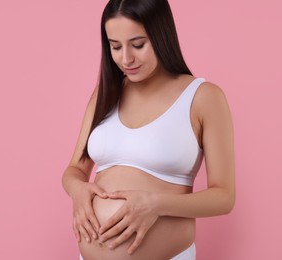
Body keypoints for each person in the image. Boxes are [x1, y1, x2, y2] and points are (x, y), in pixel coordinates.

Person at [61, 0, 235, 259]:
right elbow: (74, 170)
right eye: (115, 47)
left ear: (161, 35)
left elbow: (224, 197)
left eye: (138, 44)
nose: (126, 58)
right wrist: (78, 191)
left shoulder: (203, 97)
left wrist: (155, 205)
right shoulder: (106, 94)